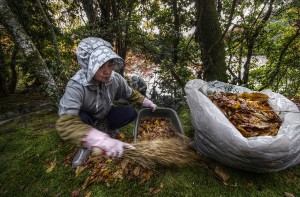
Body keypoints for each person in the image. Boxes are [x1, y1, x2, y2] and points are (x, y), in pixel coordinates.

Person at [55, 37, 157, 168]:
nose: (107, 71)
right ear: (89, 66)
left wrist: (146, 102)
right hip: (87, 117)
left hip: (105, 112)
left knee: (131, 113)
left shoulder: (115, 79)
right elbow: (65, 124)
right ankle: (85, 145)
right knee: (80, 117)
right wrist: (100, 140)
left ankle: (105, 128)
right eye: (100, 66)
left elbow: (129, 92)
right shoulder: (76, 86)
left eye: (109, 64)